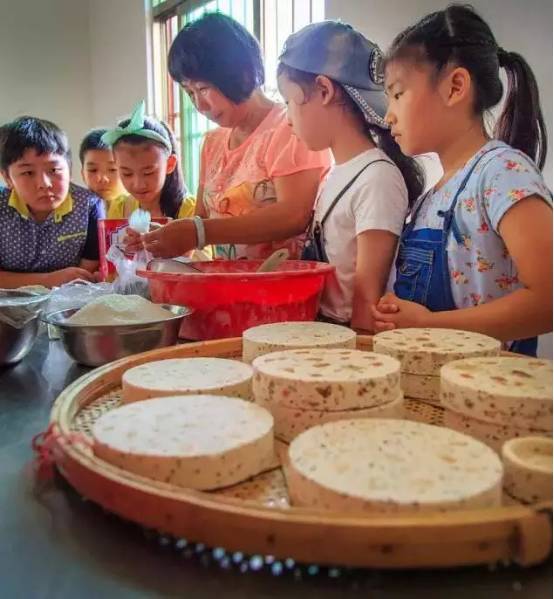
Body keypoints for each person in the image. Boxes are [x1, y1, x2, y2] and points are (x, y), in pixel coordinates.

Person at [371, 4, 552, 355]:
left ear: (455, 87)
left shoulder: (501, 173)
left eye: (397, 93)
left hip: (494, 397)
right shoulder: (430, 197)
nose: (388, 114)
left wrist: (428, 326)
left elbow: (549, 301)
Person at [125, 13, 330, 260]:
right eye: (189, 92)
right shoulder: (212, 143)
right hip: (230, 289)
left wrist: (199, 232)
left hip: (283, 288)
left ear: (240, 73)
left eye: (203, 88)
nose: (199, 104)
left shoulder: (288, 127)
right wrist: (161, 236)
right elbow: (200, 219)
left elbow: (294, 215)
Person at [277, 21, 424, 331]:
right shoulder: (334, 174)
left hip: (348, 344)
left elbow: (365, 308)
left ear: (324, 90)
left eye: (289, 100)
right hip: (323, 332)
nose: (288, 118)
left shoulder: (376, 179)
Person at [0, 116, 104, 288]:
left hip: (69, 302)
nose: (44, 184)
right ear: (7, 178)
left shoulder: (90, 206)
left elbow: (84, 276)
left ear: (70, 170)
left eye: (54, 170)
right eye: (28, 173)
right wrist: (47, 280)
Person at [102, 101, 195, 220]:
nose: (139, 184)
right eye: (127, 173)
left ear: (170, 164)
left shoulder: (191, 211)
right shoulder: (120, 208)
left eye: (148, 172)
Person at [79, 128, 128, 213]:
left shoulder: (138, 206)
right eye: (93, 170)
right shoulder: (77, 211)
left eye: (112, 169)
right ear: (83, 174)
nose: (102, 179)